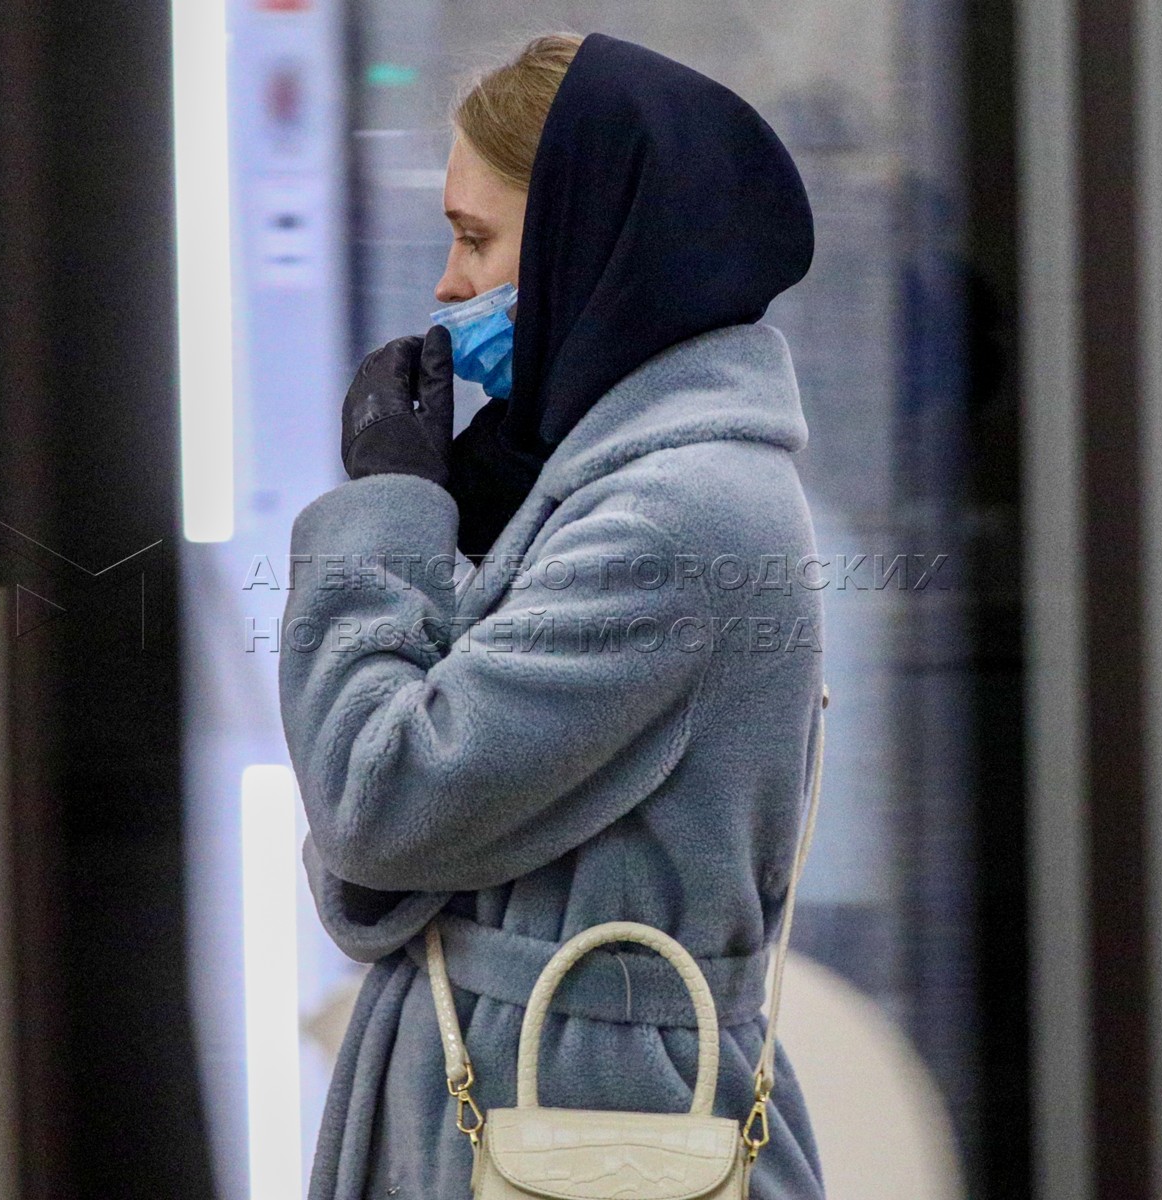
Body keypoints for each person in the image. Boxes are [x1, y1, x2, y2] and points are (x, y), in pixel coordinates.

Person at [279, 30, 825, 1200]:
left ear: (593, 246)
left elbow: (378, 803)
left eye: (476, 239)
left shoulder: (672, 520)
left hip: (580, 1123)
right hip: (550, 1094)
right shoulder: (610, 487)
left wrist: (386, 512)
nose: (448, 286)